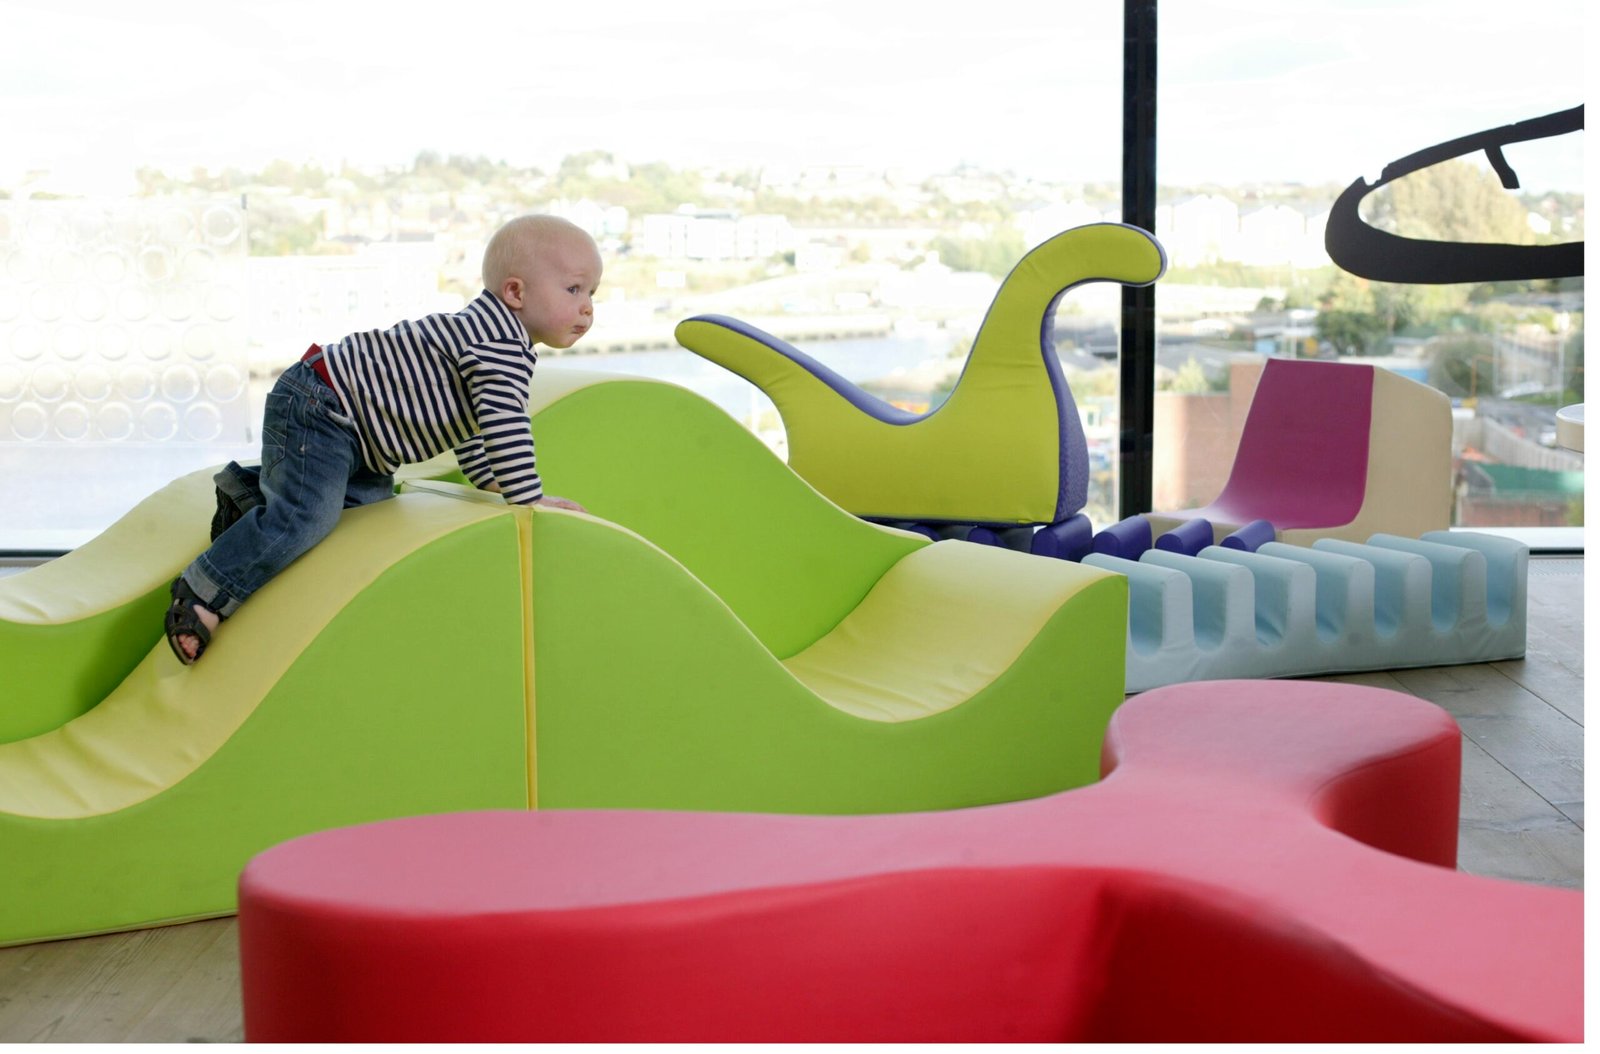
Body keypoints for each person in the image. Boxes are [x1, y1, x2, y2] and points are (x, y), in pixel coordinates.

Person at [164, 214, 600, 664]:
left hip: (358, 440)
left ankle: (249, 496)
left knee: (364, 518)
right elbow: (507, 424)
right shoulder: (497, 346)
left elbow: (474, 424)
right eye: (574, 289)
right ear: (515, 292)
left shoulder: (492, 339)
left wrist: (487, 479)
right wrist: (527, 497)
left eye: (592, 294)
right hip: (323, 405)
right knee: (305, 517)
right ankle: (204, 588)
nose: (587, 307)